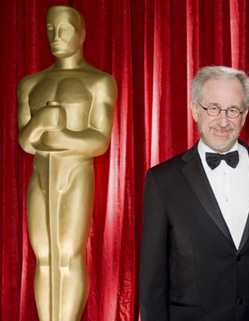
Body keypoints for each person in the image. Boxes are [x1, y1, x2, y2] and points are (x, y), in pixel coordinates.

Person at [140, 66, 249, 321]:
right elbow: (152, 276)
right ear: (195, 109)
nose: (222, 121)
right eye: (213, 108)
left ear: (244, 115)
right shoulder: (162, 180)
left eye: (232, 110)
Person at [17, 5, 117, 321]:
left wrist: (54, 133)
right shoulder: (31, 83)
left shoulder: (99, 81)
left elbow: (99, 141)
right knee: (44, 256)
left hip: (75, 172)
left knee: (69, 254)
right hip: (41, 174)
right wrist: (40, 124)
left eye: (65, 29)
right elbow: (25, 141)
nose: (56, 36)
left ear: (81, 33)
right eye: (50, 29)